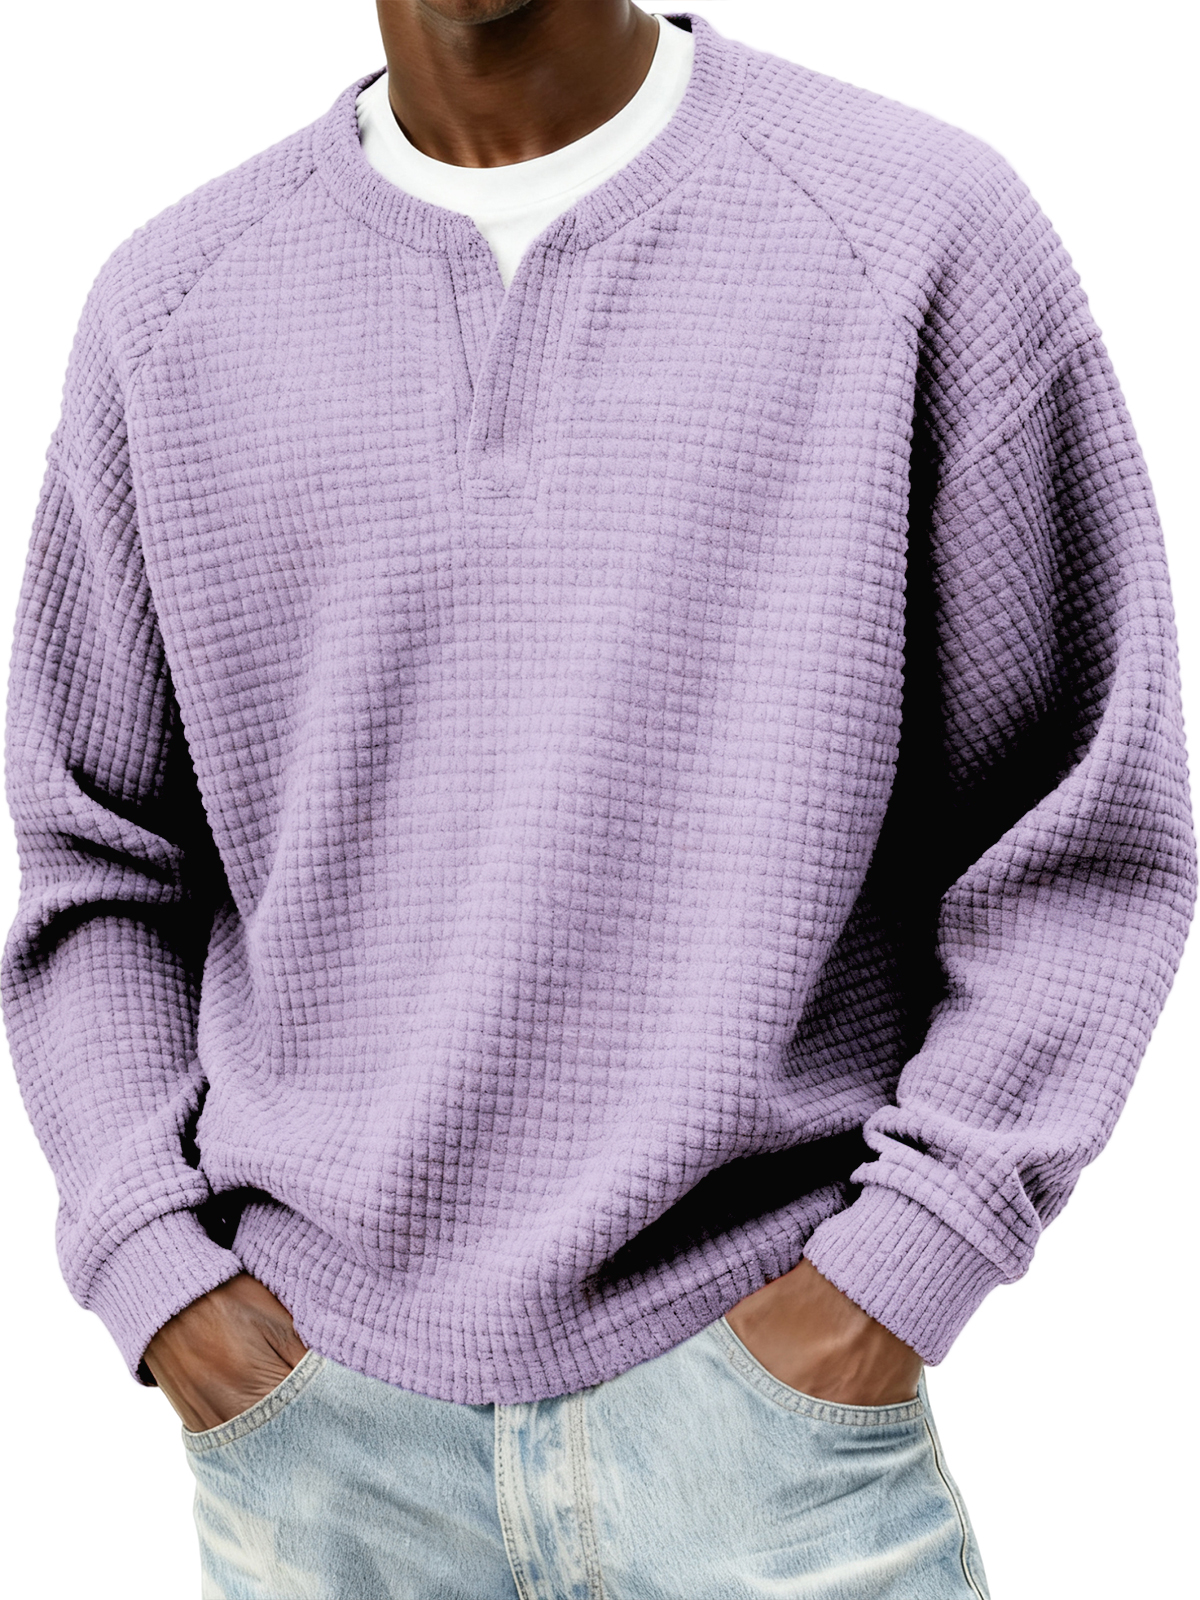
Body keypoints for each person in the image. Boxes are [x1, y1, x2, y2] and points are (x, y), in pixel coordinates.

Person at [3, 2, 1193, 1594]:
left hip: (767, 1426)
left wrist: (903, 1263)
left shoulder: (915, 232)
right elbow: (96, 863)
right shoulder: (173, 308)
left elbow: (1080, 828)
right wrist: (157, 1268)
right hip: (321, 1445)